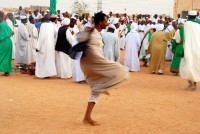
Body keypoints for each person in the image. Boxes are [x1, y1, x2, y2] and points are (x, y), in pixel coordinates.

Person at [79, 12, 128, 126]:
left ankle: (87, 117)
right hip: (91, 63)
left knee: (95, 91)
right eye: (105, 21)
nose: (107, 23)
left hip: (95, 62)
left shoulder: (98, 33)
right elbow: (79, 39)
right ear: (100, 22)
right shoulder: (91, 32)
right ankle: (102, 86)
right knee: (122, 71)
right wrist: (86, 30)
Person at [180, 10, 200, 90]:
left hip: (188, 48)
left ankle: (191, 84)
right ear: (196, 16)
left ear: (188, 16)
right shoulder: (198, 25)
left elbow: (181, 36)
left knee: (186, 66)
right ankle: (194, 85)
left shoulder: (186, 24)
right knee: (195, 66)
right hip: (197, 48)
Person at [35, 14, 57, 78]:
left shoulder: (43, 25)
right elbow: (56, 33)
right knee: (49, 60)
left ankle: (43, 74)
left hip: (44, 46)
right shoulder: (52, 25)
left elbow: (41, 37)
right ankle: (48, 74)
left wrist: (38, 47)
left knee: (42, 60)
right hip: (51, 46)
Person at [0, 11, 13, 75]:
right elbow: (11, 32)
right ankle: (7, 71)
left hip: (3, 42)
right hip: (9, 42)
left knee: (1, 55)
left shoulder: (1, 24)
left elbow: (2, 35)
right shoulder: (4, 24)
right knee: (7, 56)